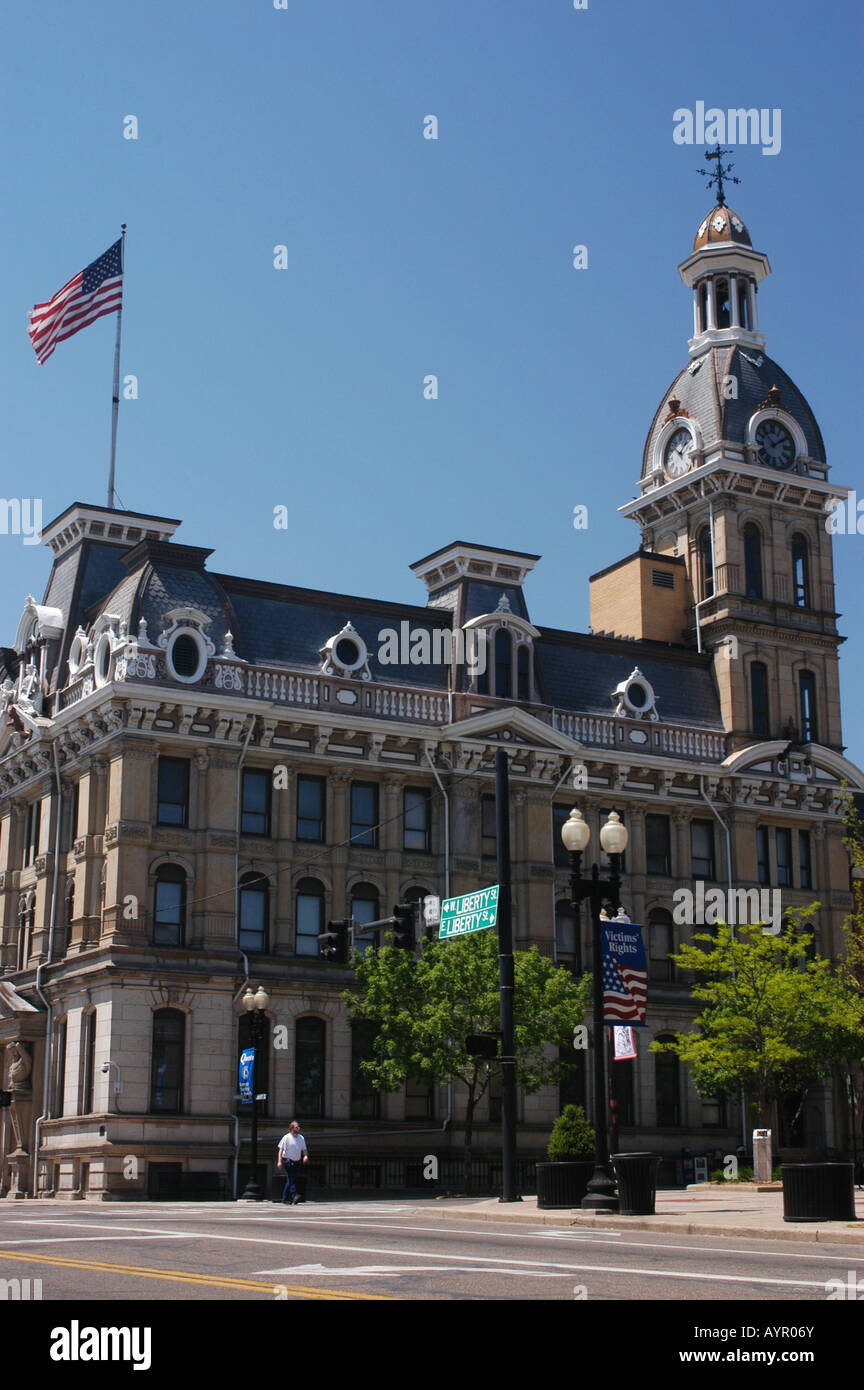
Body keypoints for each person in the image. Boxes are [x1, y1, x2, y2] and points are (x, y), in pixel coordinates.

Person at [276, 1120, 308, 1204]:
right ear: (292, 1128)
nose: (298, 1128)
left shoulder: (301, 1138)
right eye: (296, 1127)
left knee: (290, 1180)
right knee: (291, 1179)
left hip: (297, 1161)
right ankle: (294, 1195)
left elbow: (304, 1149)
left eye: (298, 1127)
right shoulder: (286, 1137)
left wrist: (305, 1156)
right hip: (288, 1161)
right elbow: (280, 1150)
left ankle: (284, 1198)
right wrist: (279, 1161)